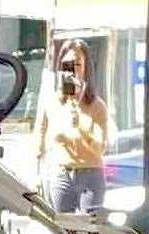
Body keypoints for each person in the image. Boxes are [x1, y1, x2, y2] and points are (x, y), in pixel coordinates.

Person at [32, 38, 112, 214]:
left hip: (90, 174)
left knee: (90, 232)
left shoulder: (97, 106)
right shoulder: (51, 101)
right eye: (68, 65)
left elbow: (101, 148)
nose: (73, 71)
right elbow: (40, 136)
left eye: (78, 64)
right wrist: (36, 175)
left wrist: (81, 126)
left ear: (85, 69)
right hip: (60, 173)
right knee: (62, 233)